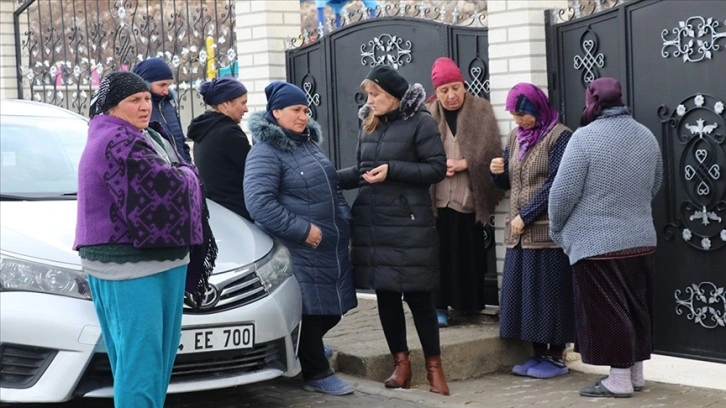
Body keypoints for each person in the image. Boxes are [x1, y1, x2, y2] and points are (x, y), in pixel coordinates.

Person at [74, 71, 215, 407]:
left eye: (147, 99)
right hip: (131, 266)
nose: (144, 106)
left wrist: (180, 173)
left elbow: (171, 177)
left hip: (150, 262)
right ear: (110, 107)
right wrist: (188, 173)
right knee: (142, 366)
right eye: (133, 100)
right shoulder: (117, 140)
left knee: (147, 364)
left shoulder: (141, 136)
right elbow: (167, 189)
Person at [337, 65, 450, 395]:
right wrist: (325, 177)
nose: (369, 100)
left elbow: (437, 168)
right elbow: (362, 171)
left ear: (394, 96)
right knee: (386, 297)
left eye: (375, 94)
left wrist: (393, 170)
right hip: (376, 224)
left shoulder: (421, 121)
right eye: (368, 94)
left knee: (419, 298)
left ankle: (434, 369)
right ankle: (401, 366)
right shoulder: (368, 124)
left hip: (409, 225)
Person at [548, 77, 663, 398]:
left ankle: (619, 380)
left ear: (592, 102)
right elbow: (655, 184)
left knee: (608, 312)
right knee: (636, 308)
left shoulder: (584, 138)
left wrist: (558, 229)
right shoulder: (646, 135)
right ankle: (636, 375)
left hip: (597, 244)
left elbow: (562, 194)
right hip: (641, 239)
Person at [243, 81, 357, 396]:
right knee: (308, 309)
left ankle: (305, 350)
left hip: (325, 246)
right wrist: (302, 230)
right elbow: (259, 203)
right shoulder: (265, 152)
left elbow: (325, 182)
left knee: (331, 309)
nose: (303, 116)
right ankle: (316, 372)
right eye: (296, 110)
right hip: (296, 247)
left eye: (306, 110)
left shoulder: (306, 143)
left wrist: (357, 175)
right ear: (276, 112)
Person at [489, 82, 575, 379]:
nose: (518, 121)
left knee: (549, 294)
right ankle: (537, 355)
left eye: (522, 114)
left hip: (546, 233)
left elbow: (557, 184)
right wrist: (496, 173)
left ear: (537, 109)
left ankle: (556, 356)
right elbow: (509, 183)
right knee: (528, 296)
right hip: (519, 235)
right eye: (514, 115)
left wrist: (525, 216)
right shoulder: (515, 138)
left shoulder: (561, 136)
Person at [425, 57, 504, 327]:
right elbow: (417, 149)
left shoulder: (481, 110)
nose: (451, 95)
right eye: (444, 90)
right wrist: (435, 165)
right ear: (437, 92)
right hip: (436, 197)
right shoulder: (427, 113)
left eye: (455, 88)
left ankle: (468, 304)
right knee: (438, 256)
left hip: (467, 196)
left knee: (466, 252)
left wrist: (465, 163)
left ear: (464, 85)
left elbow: (491, 151)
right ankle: (439, 308)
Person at [188, 76, 252, 220]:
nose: (246, 109)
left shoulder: (205, 129)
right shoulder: (228, 133)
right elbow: (255, 170)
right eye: (243, 103)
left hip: (219, 213)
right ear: (226, 104)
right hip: (239, 215)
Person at [133, 57, 192, 163]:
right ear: (145, 82)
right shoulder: (138, 109)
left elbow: (181, 142)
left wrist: (190, 168)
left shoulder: (168, 105)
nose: (166, 91)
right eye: (162, 85)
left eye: (168, 85)